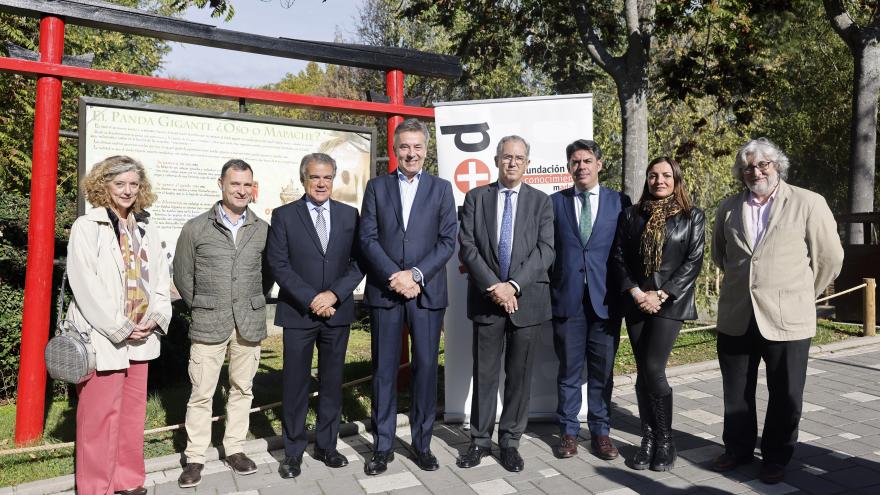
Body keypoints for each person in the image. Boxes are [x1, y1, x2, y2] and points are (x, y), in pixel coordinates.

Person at [710, 138, 843, 484]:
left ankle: (776, 455)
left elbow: (830, 258)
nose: (755, 171)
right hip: (738, 315)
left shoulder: (808, 203)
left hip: (788, 319)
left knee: (785, 394)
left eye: (763, 164)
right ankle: (737, 449)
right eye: (748, 167)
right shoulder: (727, 208)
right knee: (736, 392)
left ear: (777, 165)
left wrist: (801, 293)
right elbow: (720, 256)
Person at [359, 118, 458, 475]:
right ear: (394, 149)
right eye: (404, 146)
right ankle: (383, 446)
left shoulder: (442, 189)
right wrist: (394, 276)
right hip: (386, 292)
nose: (411, 153)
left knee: (426, 369)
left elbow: (448, 240)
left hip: (426, 292)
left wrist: (415, 275)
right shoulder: (376, 187)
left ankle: (422, 444)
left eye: (417, 147)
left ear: (426, 150)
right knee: (383, 371)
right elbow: (367, 238)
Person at [68, 155, 171, 495]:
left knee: (131, 415)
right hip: (105, 336)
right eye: (120, 184)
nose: (128, 191)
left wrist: (156, 317)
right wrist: (121, 326)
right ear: (104, 186)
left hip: (142, 336)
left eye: (133, 184)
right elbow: (85, 284)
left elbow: (159, 278)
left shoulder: (146, 226)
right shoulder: (88, 226)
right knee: (98, 419)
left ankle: (128, 480)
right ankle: (97, 487)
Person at [457, 135, 555, 473]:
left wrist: (513, 285)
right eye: (506, 157)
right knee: (484, 374)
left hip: (526, 302)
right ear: (496, 160)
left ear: (527, 163)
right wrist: (495, 287)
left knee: (519, 376)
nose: (512, 162)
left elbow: (546, 250)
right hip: (487, 300)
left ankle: (510, 441)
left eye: (519, 158)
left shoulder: (542, 202)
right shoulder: (475, 198)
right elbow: (467, 246)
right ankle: (480, 441)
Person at [173, 159, 270, 488]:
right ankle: (196, 456)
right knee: (201, 393)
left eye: (247, 185)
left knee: (243, 389)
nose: (242, 191)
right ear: (221, 184)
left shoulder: (261, 228)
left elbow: (267, 274)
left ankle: (235, 449)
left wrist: (248, 300)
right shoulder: (196, 228)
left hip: (248, 322)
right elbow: (183, 276)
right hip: (208, 321)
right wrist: (204, 304)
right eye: (235, 184)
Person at [266, 153, 363, 478]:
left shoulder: (350, 215)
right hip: (298, 313)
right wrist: (312, 299)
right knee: (295, 384)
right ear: (304, 179)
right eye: (314, 177)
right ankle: (293, 452)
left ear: (332, 180)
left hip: (337, 312)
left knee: (333, 383)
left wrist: (333, 294)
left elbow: (359, 262)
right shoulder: (284, 216)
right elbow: (279, 264)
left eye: (326, 178)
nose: (321, 183)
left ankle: (327, 445)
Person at [611, 157, 705, 471]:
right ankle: (647, 438)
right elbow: (619, 257)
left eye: (666, 175)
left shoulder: (693, 217)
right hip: (637, 301)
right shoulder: (631, 215)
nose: (659, 181)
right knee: (643, 370)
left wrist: (661, 294)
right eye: (653, 175)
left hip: (671, 303)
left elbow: (693, 262)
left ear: (675, 179)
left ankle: (666, 440)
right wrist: (637, 293)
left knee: (654, 368)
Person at [549, 139, 632, 461]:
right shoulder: (555, 203)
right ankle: (568, 433)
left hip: (606, 301)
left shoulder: (619, 202)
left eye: (586, 161)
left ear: (599, 164)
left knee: (602, 373)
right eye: (574, 162)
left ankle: (601, 433)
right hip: (567, 300)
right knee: (569, 372)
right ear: (568, 167)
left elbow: (626, 250)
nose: (581, 167)